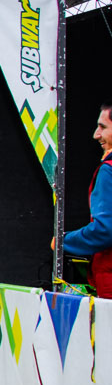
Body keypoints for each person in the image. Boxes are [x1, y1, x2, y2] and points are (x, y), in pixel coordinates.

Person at [63, 102, 112, 298]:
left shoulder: (109, 170)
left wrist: (62, 242)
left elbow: (104, 230)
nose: (96, 134)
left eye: (103, 127)